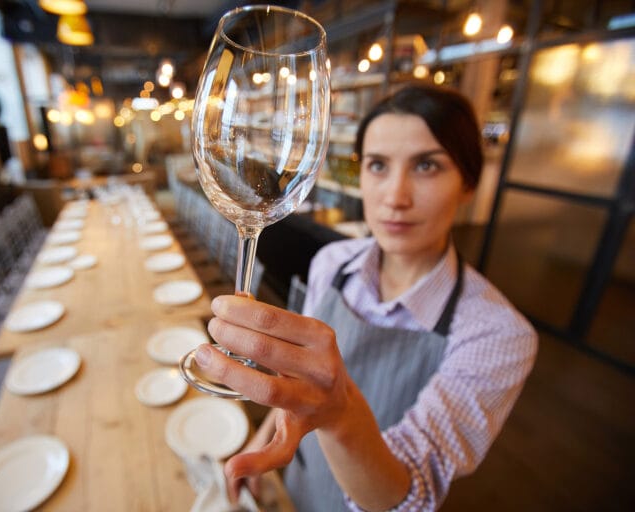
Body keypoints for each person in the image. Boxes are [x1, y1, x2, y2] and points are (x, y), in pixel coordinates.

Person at [192, 84, 538, 511]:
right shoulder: (332, 262)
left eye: (427, 166)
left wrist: (339, 414)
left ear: (468, 183)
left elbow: (412, 493)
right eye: (377, 165)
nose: (395, 197)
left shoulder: (497, 334)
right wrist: (258, 451)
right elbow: (296, 386)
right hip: (297, 490)